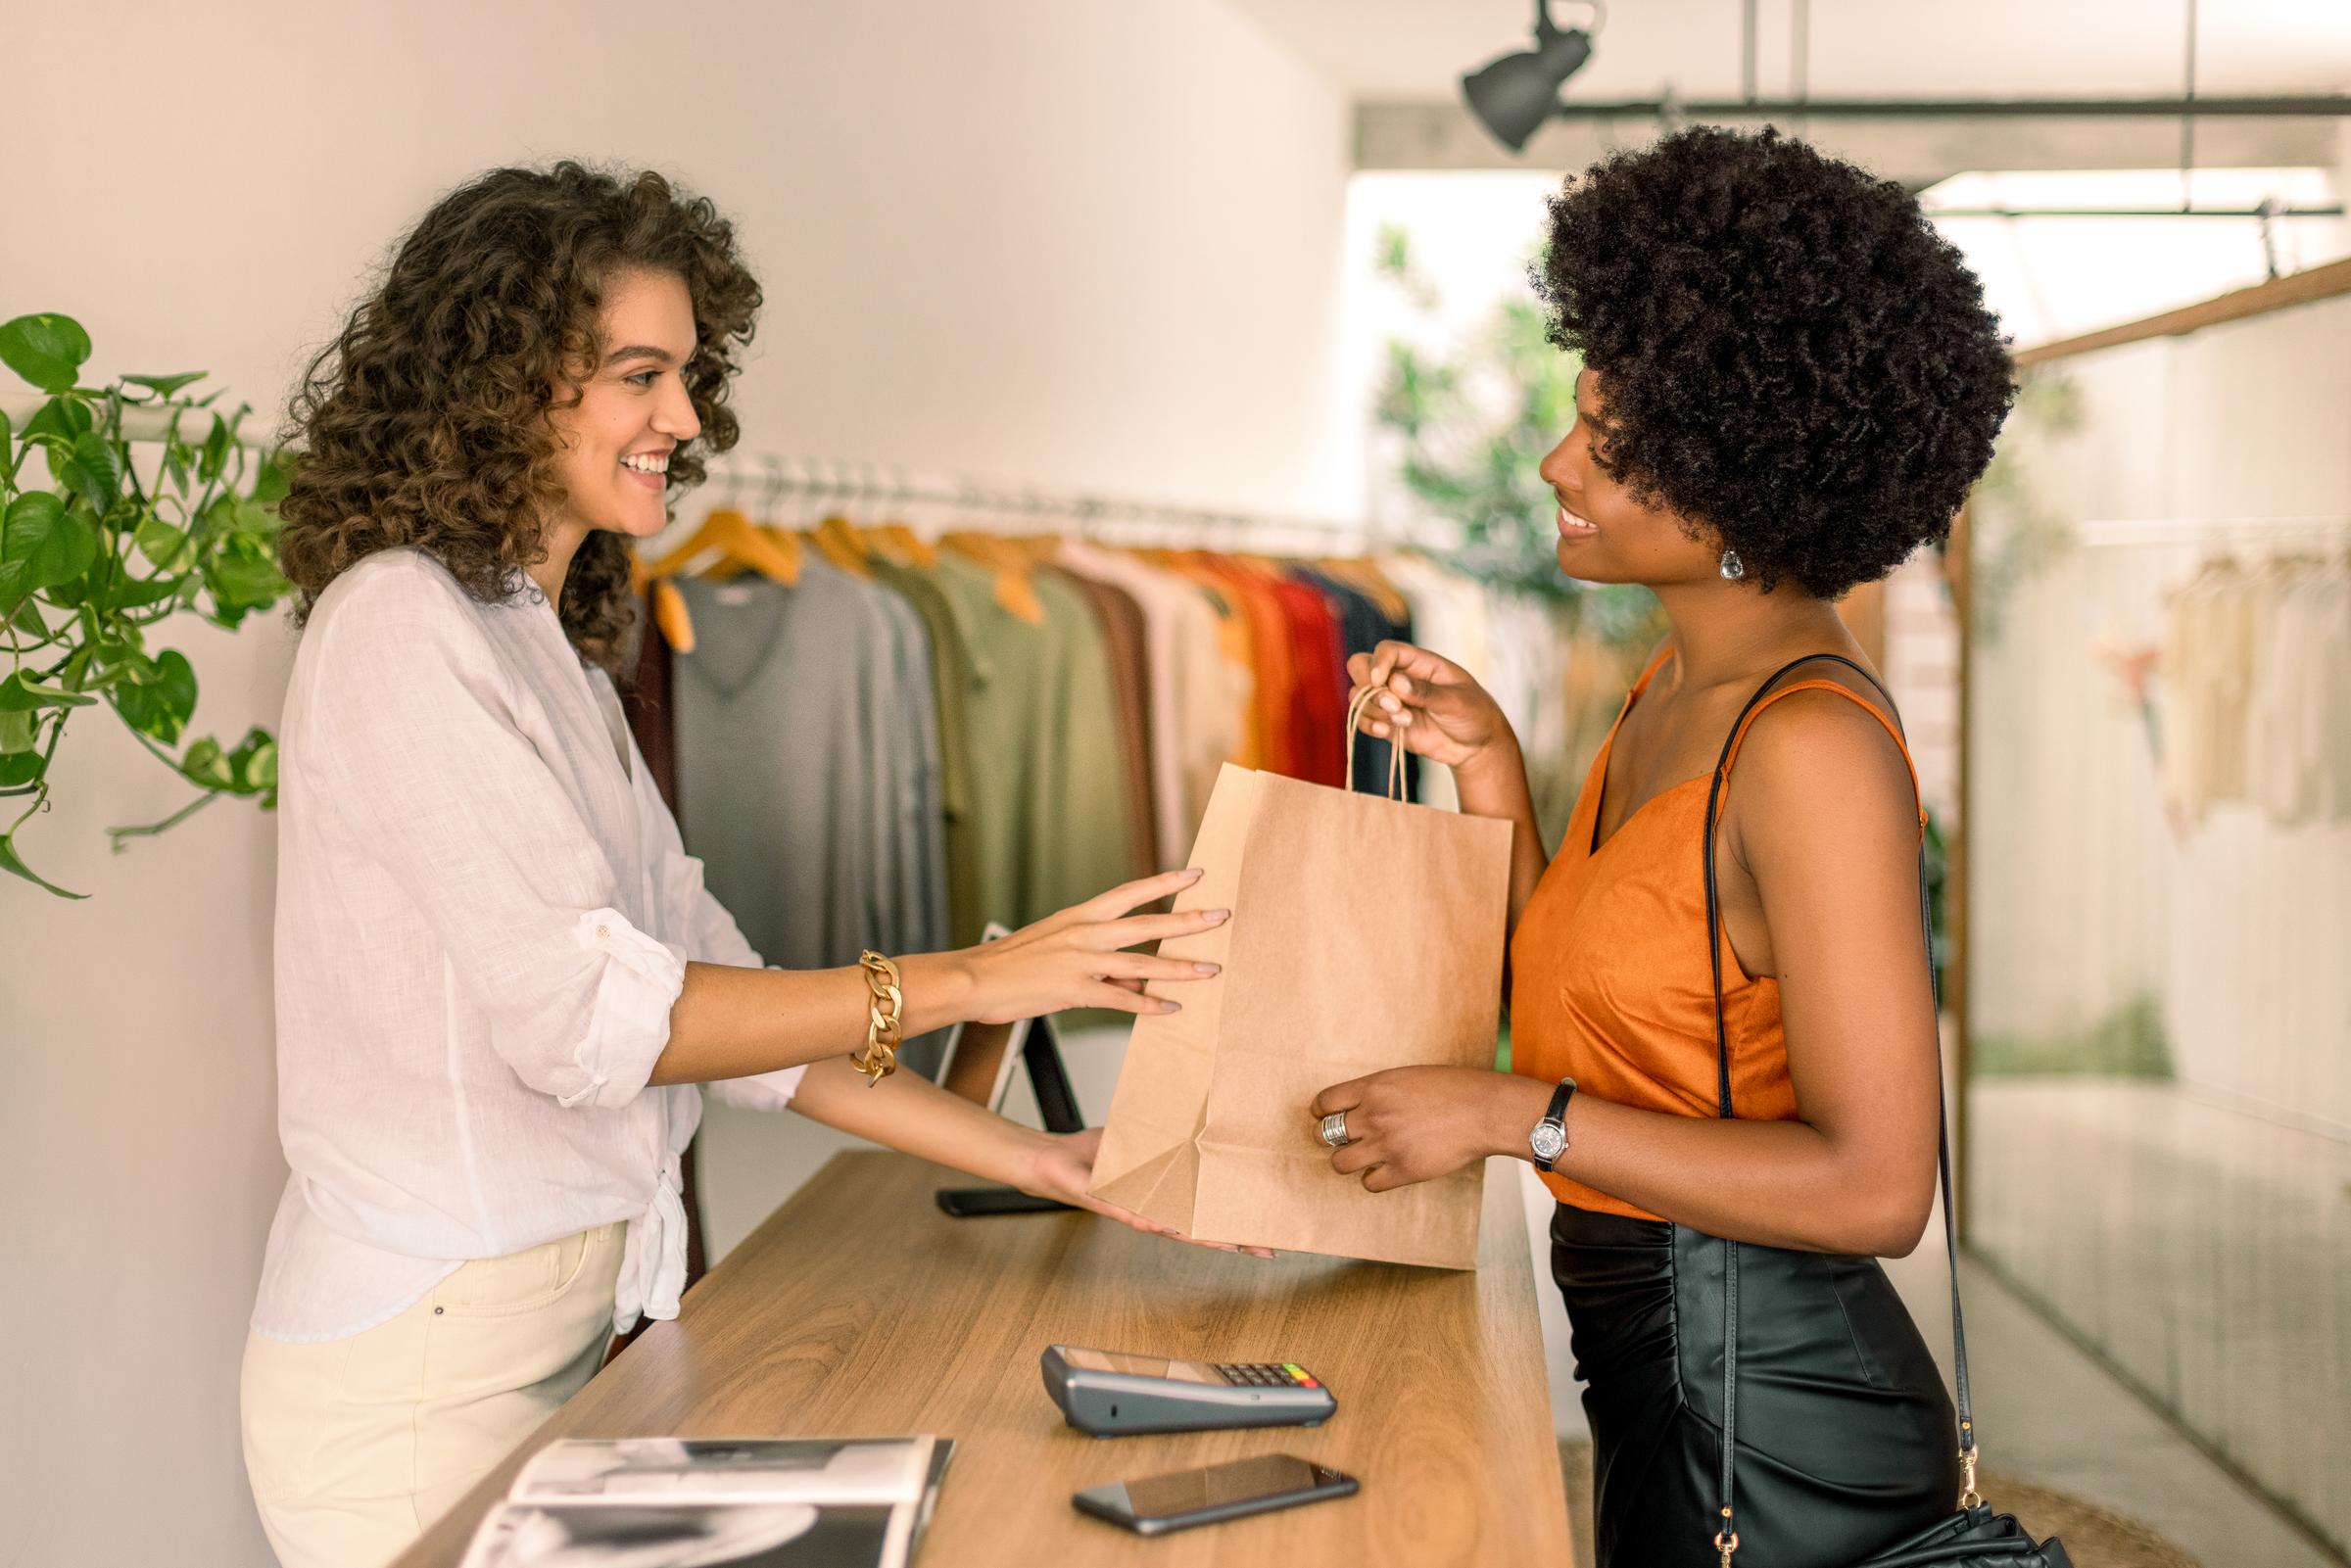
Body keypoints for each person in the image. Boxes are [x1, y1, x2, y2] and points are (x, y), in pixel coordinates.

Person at [239, 162, 1230, 1568]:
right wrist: (981, 976)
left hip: (551, 1342)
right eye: (639, 374)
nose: (685, 420)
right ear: (505, 380)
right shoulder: (400, 629)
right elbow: (602, 1026)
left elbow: (734, 1013)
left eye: (687, 374)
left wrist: (1042, 1158)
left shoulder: (545, 647)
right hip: (413, 1380)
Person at [1313, 127, 2014, 1566]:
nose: (1557, 459)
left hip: (1782, 1436)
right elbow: (1573, 997)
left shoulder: (1806, 747)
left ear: (1743, 472)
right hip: (1662, 1381)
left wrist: (1513, 1115)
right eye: (1578, 413)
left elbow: (1880, 1187)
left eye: (1615, 444)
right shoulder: (1670, 682)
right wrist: (1490, 764)